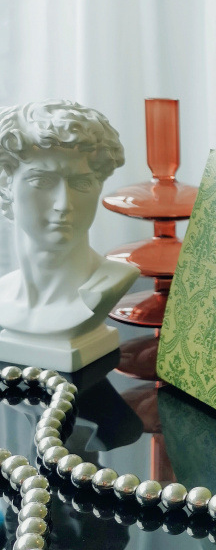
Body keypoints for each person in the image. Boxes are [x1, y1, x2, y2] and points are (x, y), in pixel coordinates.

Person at [0, 100, 138, 364]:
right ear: (6, 185)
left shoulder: (113, 282)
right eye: (42, 181)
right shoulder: (4, 295)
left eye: (81, 183)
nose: (63, 205)